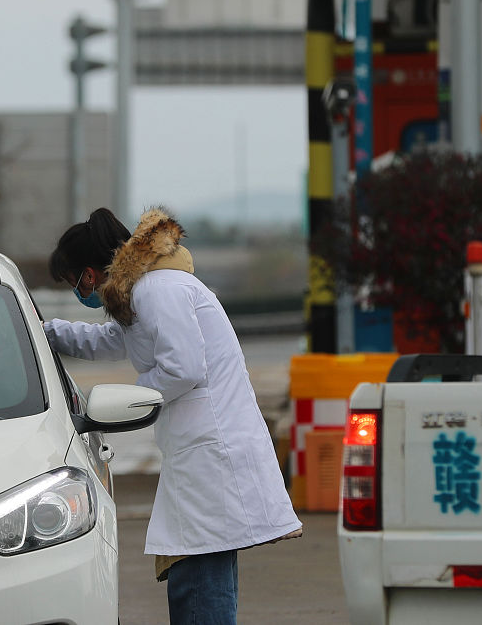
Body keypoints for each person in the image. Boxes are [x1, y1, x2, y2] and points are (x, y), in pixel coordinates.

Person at [43, 207, 302, 625]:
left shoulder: (157, 290)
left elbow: (184, 368)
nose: (79, 291)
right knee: (197, 569)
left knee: (199, 578)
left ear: (89, 273)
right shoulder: (145, 292)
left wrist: (131, 398)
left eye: (73, 281)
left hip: (211, 451)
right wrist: (49, 332)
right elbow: (110, 340)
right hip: (200, 451)